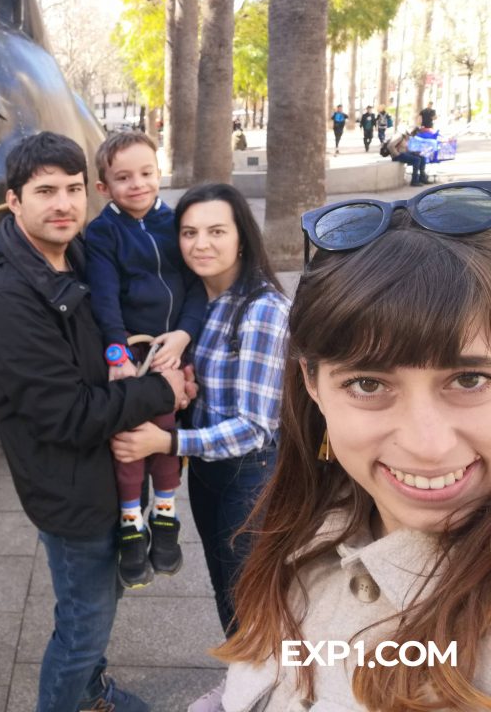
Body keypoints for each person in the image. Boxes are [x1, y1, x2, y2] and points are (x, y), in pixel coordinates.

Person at [194, 182, 491, 712]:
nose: (426, 445)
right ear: (312, 383)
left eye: (469, 380)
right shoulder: (302, 532)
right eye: (369, 385)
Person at [0, 131, 192, 712]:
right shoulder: (7, 300)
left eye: (71, 189)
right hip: (72, 491)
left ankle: (90, 689)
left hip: (107, 474)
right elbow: (66, 414)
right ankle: (75, 696)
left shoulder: (80, 253)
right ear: (14, 202)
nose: (62, 204)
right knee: (83, 624)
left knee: (100, 603)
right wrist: (160, 389)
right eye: (45, 191)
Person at [112, 183, 289, 637]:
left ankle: (265, 696)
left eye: (215, 231)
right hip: (208, 472)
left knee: (251, 595)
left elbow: (254, 428)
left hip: (251, 476)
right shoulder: (192, 306)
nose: (200, 244)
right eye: (188, 233)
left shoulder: (263, 310)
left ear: (241, 238)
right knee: (224, 586)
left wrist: (167, 441)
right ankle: (242, 686)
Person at [85, 131, 207, 587]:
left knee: (166, 434)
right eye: (123, 177)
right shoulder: (102, 234)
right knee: (134, 436)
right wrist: (117, 354)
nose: (137, 184)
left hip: (173, 346)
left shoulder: (174, 225)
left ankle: (166, 516)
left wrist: (183, 335)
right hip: (132, 350)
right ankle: (131, 521)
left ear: (159, 174)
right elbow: (105, 300)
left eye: (146, 173)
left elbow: (195, 288)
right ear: (104, 188)